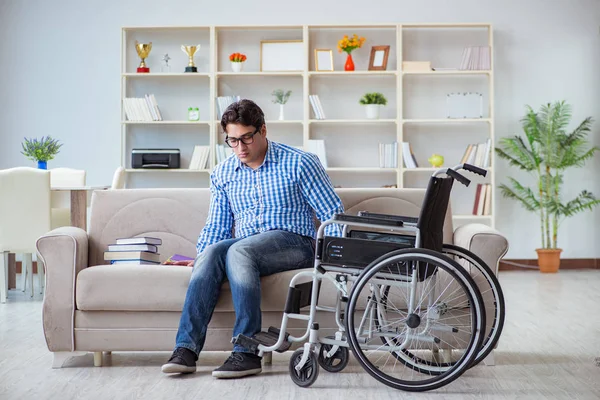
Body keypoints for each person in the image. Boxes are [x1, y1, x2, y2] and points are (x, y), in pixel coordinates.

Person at [161, 99, 344, 378]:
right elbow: (217, 226)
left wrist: (334, 260)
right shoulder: (223, 173)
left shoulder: (300, 162)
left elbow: (332, 213)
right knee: (212, 254)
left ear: (263, 130)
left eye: (246, 138)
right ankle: (186, 349)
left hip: (294, 243)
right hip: (247, 246)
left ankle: (247, 352)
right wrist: (201, 259)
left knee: (239, 252)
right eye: (232, 141)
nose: (240, 148)